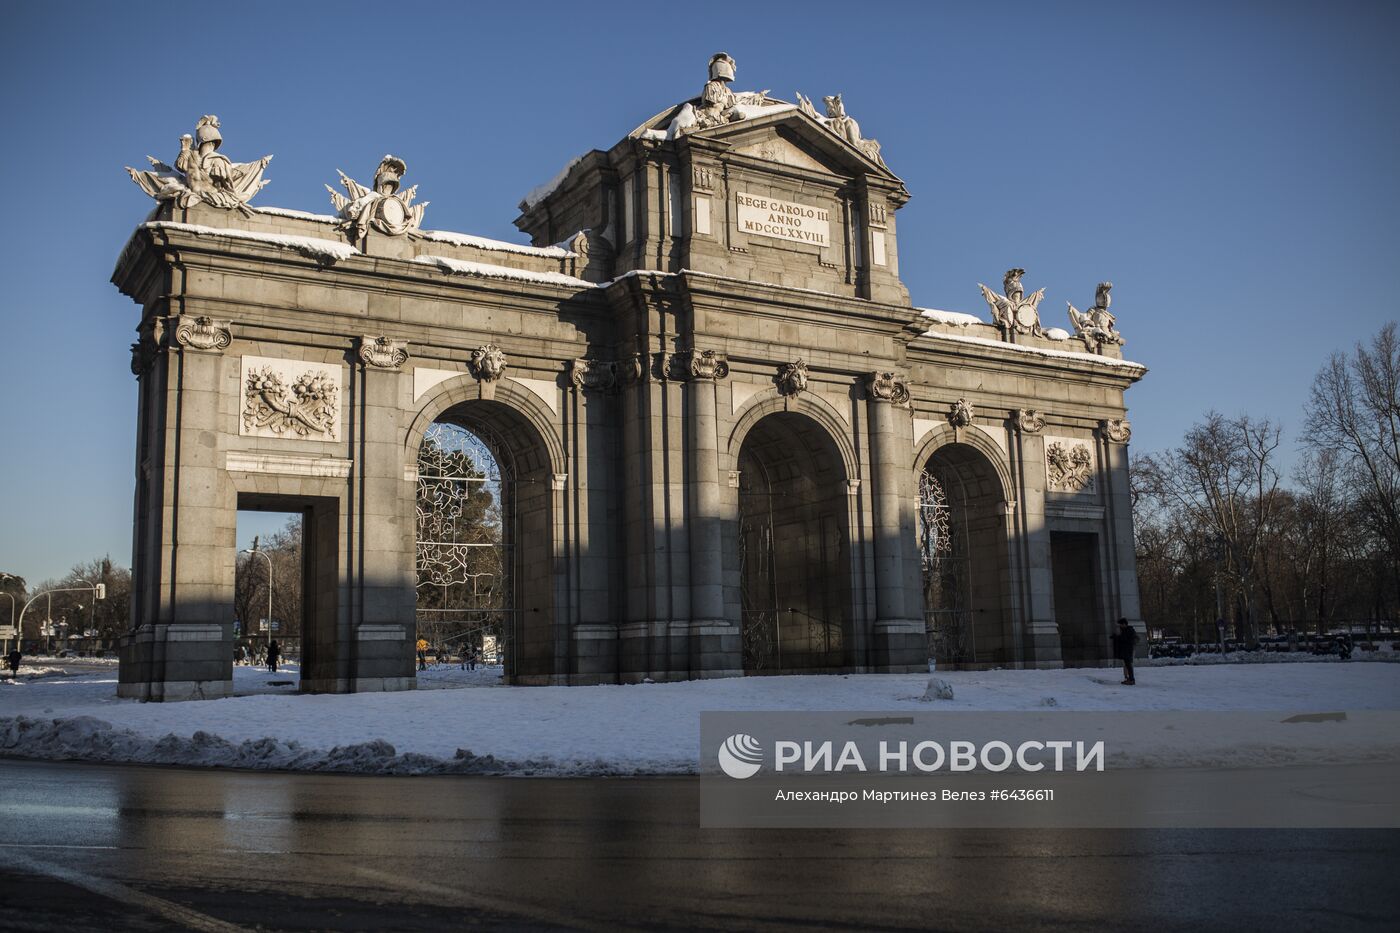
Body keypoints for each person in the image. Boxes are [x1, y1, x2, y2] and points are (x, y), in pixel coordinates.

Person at [1112, 618, 1138, 685]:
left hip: (1128, 650)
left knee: (1128, 665)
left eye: (1120, 624)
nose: (1120, 626)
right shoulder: (1125, 630)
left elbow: (1125, 639)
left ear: (1124, 624)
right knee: (1127, 665)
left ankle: (1131, 679)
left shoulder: (1129, 630)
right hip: (1126, 650)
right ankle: (1129, 678)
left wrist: (1116, 637)